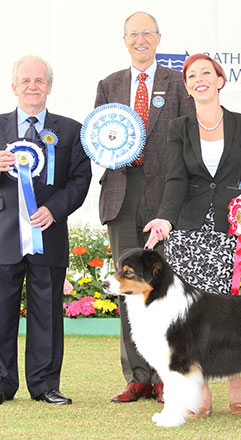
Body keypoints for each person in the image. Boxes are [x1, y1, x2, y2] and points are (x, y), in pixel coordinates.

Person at [144, 53, 241, 417]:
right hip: (188, 230)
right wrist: (164, 219)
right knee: (193, 315)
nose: (199, 79)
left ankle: (235, 378)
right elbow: (176, 179)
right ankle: (202, 388)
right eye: (191, 75)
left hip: (229, 228)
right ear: (187, 85)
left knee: (225, 310)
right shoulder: (178, 127)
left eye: (206, 73)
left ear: (220, 79)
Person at [95, 11, 194, 403]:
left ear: (158, 39)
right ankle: (136, 376)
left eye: (147, 33)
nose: (140, 39)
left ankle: (164, 374)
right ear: (125, 41)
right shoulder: (109, 85)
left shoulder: (177, 83)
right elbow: (98, 137)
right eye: (133, 34)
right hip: (121, 194)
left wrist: (175, 201)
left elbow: (187, 140)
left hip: (163, 198)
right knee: (126, 287)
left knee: (163, 290)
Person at [0, 55, 92, 405]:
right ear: (14, 87)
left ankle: (44, 385)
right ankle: (1, 384)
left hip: (49, 234)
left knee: (47, 312)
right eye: (26, 80)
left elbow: (81, 179)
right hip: (3, 235)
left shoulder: (70, 130)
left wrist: (54, 210)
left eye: (40, 80)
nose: (33, 86)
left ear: (50, 87)